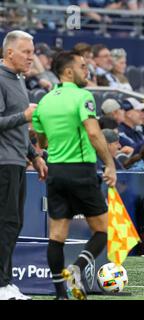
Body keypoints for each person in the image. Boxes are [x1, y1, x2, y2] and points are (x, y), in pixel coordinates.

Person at [32, 51, 117, 300]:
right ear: (68, 71)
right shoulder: (83, 96)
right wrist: (109, 164)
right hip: (80, 169)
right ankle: (77, 268)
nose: (87, 69)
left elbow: (42, 140)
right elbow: (93, 133)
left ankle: (60, 294)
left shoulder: (44, 102)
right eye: (82, 66)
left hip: (55, 171)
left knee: (57, 235)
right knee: (102, 230)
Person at [0, 30, 48, 301]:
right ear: (9, 53)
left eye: (33, 51)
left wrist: (35, 156)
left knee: (12, 223)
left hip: (17, 161)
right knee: (6, 223)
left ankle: (5, 281)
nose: (33, 57)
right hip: (3, 162)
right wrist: (24, 115)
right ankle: (1, 284)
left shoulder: (17, 80)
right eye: (27, 52)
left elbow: (17, 130)